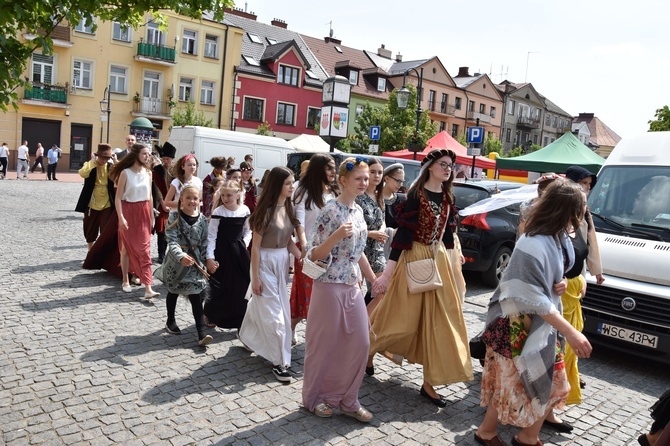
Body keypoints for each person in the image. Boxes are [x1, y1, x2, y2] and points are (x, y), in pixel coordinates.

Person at [474, 179, 593, 446]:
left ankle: (522, 435)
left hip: (538, 324)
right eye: (580, 209)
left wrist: (559, 282)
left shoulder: (556, 236)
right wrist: (571, 332)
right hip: (516, 323)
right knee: (514, 382)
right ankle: (492, 433)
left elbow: (547, 278)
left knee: (531, 382)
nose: (583, 215)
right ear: (565, 210)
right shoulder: (533, 241)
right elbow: (530, 296)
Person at [370, 148, 474, 406]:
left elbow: (449, 236)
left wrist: (453, 263)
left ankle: (430, 383)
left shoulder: (448, 196)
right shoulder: (415, 195)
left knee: (442, 321)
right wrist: (386, 275)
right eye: (442, 164)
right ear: (429, 166)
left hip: (438, 262)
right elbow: (403, 238)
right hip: (414, 260)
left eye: (450, 165)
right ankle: (367, 351)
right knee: (400, 318)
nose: (448, 168)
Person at [302, 156, 377, 423]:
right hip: (328, 283)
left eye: (366, 178)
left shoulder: (358, 211)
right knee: (324, 345)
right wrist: (336, 236)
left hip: (351, 283)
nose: (364, 182)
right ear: (343, 180)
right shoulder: (330, 211)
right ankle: (315, 397)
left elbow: (359, 253)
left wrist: (372, 279)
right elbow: (313, 254)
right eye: (358, 178)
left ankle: (349, 398)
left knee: (361, 342)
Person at [238, 166, 306, 383]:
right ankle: (279, 362)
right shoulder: (264, 211)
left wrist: (301, 256)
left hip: (282, 262)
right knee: (276, 315)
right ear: (277, 185)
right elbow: (255, 247)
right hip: (264, 262)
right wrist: (255, 277)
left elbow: (287, 240)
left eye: (293, 182)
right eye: (288, 183)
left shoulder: (289, 207)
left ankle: (247, 335)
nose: (292, 187)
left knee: (268, 305)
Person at [291, 153, 339, 341]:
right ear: (319, 169)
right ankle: (293, 327)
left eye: (334, 167)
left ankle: (321, 338)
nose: (333, 171)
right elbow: (299, 221)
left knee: (325, 299)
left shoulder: (335, 193)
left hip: (331, 253)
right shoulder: (303, 191)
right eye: (329, 168)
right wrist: (304, 245)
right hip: (309, 252)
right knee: (305, 296)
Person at [161, 184, 213, 346]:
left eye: (195, 198)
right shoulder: (174, 217)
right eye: (188, 197)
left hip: (195, 264)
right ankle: (170, 320)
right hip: (177, 264)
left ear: (199, 201)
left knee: (196, 295)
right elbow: (172, 240)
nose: (192, 201)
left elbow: (205, 242)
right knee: (173, 291)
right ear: (181, 199)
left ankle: (201, 334)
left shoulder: (203, 220)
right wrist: (181, 256)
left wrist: (207, 261)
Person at [110, 143, 160, 299]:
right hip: (128, 210)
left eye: (149, 154)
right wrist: (121, 217)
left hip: (144, 211)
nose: (148, 157)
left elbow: (150, 196)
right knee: (126, 248)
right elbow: (118, 198)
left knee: (145, 250)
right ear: (136, 155)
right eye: (145, 154)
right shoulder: (125, 173)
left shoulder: (148, 173)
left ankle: (148, 287)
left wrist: (151, 214)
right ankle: (125, 279)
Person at [204, 179, 252, 330]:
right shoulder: (218, 212)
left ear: (237, 195)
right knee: (219, 285)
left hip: (239, 252)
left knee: (240, 285)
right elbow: (211, 236)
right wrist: (210, 257)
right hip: (222, 252)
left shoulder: (244, 210)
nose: (225, 199)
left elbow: (248, 230)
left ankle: (239, 317)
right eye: (223, 195)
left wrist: (243, 242)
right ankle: (212, 314)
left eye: (229, 195)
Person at [354, 156, 388, 312]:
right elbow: (352, 227)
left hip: (377, 249)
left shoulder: (379, 195)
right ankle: (360, 324)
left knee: (381, 289)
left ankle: (366, 322)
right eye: (373, 172)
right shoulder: (359, 197)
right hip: (361, 248)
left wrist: (381, 230)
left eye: (380, 172)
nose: (376, 176)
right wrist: (371, 233)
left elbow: (383, 220)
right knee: (356, 292)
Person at [75, 144, 117, 250]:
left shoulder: (111, 166)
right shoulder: (90, 165)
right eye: (103, 157)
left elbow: (122, 174)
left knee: (106, 227)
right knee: (90, 226)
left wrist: (115, 161)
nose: (104, 160)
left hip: (107, 200)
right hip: (92, 200)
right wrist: (93, 161)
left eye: (107, 158)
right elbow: (82, 173)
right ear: (97, 156)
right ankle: (90, 250)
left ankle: (102, 253)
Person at [152, 142, 177, 263]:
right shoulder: (157, 169)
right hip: (161, 203)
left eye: (168, 159)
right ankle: (161, 254)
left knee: (173, 229)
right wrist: (163, 203)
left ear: (172, 159)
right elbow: (156, 187)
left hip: (175, 203)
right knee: (161, 230)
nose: (165, 161)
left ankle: (171, 253)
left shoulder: (177, 170)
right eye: (164, 159)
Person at [381, 163, 407, 257]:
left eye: (402, 181)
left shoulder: (401, 200)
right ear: (387, 179)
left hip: (395, 249)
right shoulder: (375, 198)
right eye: (398, 181)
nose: (400, 185)